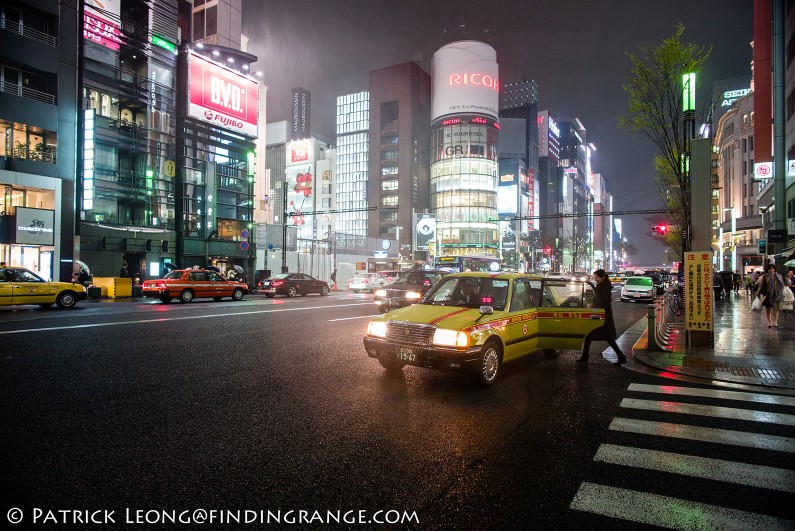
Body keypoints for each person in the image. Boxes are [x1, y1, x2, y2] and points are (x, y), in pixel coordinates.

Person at [578, 269, 627, 366]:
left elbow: (601, 301)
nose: (595, 279)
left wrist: (592, 303)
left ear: (603, 277)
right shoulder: (602, 286)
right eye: (594, 277)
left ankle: (585, 356)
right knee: (605, 337)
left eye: (596, 277)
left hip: (603, 315)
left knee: (592, 335)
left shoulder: (604, 288)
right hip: (602, 314)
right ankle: (621, 356)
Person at [756, 263, 785, 329]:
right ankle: (769, 321)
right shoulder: (765, 276)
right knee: (768, 309)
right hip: (768, 295)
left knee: (776, 309)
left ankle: (775, 322)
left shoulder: (779, 276)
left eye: (772, 268)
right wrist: (758, 292)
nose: (770, 270)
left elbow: (782, 284)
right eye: (769, 269)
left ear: (774, 269)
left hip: (777, 294)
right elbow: (761, 285)